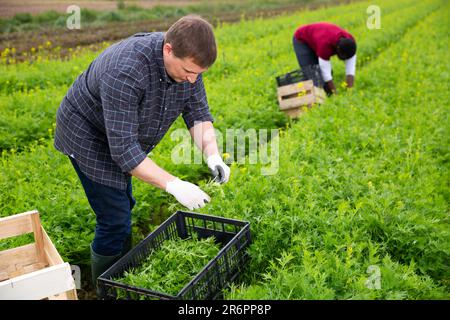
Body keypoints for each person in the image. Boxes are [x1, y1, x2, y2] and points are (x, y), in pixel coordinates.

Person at [54, 15, 230, 295]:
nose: (192, 79)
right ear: (168, 49)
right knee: (114, 217)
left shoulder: (188, 65)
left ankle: (122, 271)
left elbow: (197, 114)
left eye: (198, 73)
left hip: (122, 132)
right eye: (188, 71)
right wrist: (174, 184)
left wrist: (213, 155)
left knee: (122, 204)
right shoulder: (126, 69)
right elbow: (124, 152)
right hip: (88, 135)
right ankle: (107, 290)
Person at [293, 22, 357, 95]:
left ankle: (327, 96)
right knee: (311, 73)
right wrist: (335, 94)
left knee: (323, 76)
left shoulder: (350, 43)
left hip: (317, 37)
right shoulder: (325, 45)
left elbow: (350, 69)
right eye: (343, 58)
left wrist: (350, 92)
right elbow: (325, 72)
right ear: (337, 50)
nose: (344, 60)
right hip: (302, 39)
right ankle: (309, 99)